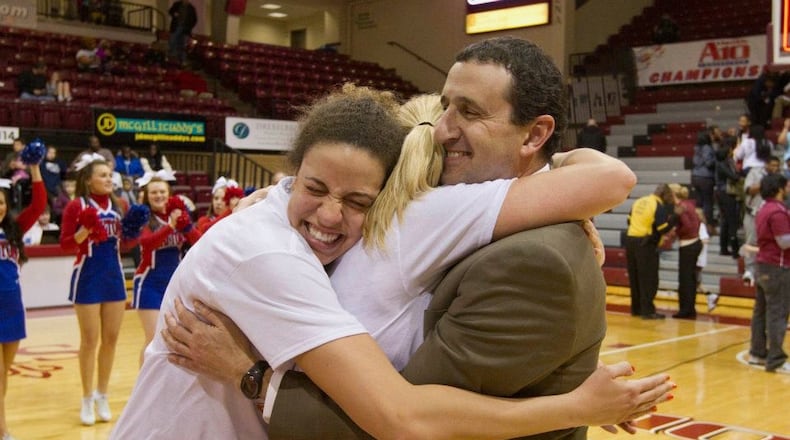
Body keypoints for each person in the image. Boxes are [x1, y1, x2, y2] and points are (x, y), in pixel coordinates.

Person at [162, 36, 669, 437]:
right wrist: (571, 405)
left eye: (469, 112)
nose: (445, 129)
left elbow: (408, 416)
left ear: (534, 134)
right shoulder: (422, 215)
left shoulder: (438, 219)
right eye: (446, 108)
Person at [59, 153, 137, 426]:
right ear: (88, 179)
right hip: (88, 277)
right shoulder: (75, 205)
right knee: (90, 341)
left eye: (109, 175)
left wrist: (134, 229)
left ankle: (103, 394)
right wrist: (85, 229)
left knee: (112, 339)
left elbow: (125, 244)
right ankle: (86, 396)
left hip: (113, 277)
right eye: (102, 175)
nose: (108, 179)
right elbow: (66, 245)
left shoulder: (119, 204)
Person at [132, 171, 201, 365]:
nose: (158, 196)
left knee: (173, 339)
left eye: (162, 191)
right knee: (153, 338)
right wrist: (170, 226)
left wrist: (186, 227)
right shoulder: (144, 218)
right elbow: (147, 243)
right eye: (154, 192)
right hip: (149, 283)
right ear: (147, 195)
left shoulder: (179, 216)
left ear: (169, 193)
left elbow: (199, 242)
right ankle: (143, 386)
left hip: (174, 284)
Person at [0, 158, 45, 440]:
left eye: (2, 202)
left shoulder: (13, 230)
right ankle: (3, 430)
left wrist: (35, 168)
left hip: (13, 307)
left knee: (4, 373)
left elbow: (39, 205)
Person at [749, 173, 790, 373]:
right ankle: (776, 359)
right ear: (780, 188)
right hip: (777, 267)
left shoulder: (763, 208)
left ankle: (757, 353)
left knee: (761, 311)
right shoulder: (778, 211)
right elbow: (784, 242)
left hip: (763, 265)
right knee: (778, 313)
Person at [625, 184, 678, 319]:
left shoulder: (639, 201)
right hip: (645, 243)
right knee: (648, 278)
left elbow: (628, 220)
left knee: (635, 277)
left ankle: (636, 309)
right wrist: (674, 219)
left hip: (630, 241)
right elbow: (662, 228)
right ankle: (648, 311)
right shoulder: (657, 205)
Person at [742, 156, 781, 285]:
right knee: (750, 241)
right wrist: (764, 183)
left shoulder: (779, 177)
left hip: (771, 215)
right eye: (773, 165)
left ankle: (764, 271)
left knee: (767, 243)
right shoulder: (755, 172)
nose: (775, 168)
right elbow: (747, 190)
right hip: (753, 213)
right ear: (766, 164)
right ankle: (749, 270)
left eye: (777, 166)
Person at [668, 184, 702, 319]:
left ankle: (685, 309)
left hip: (688, 244)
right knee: (691, 278)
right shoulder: (689, 204)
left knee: (685, 279)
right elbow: (697, 222)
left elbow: (687, 226)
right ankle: (690, 308)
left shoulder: (681, 207)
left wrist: (676, 232)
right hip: (695, 242)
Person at [715, 136, 742, 257]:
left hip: (724, 193)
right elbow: (734, 177)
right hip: (725, 193)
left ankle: (723, 247)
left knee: (726, 220)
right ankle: (734, 250)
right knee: (730, 220)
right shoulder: (722, 165)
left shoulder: (727, 162)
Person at [691, 130, 716, 231]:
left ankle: (697, 224)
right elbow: (709, 163)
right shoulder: (707, 148)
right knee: (707, 203)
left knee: (699, 202)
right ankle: (708, 226)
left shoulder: (696, 148)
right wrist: (717, 158)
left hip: (695, 176)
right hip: (705, 177)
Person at [167, 0, 197, 65]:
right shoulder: (177, 4)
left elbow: (194, 20)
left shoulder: (191, 8)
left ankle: (182, 60)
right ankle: (173, 58)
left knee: (183, 45)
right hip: (176, 27)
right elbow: (170, 11)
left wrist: (190, 26)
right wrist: (174, 13)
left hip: (186, 29)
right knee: (172, 41)